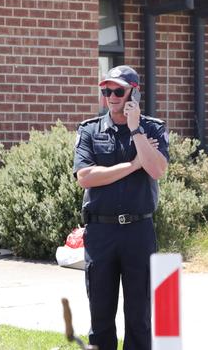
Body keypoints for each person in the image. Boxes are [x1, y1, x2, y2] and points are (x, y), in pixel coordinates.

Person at [73, 65, 169, 350]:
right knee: (100, 315)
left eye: (118, 90)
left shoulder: (152, 128)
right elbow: (85, 177)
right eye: (106, 91)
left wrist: (136, 129)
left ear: (133, 93)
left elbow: (156, 170)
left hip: (139, 230)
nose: (111, 96)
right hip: (101, 231)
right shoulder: (89, 130)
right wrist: (132, 165)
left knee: (139, 316)